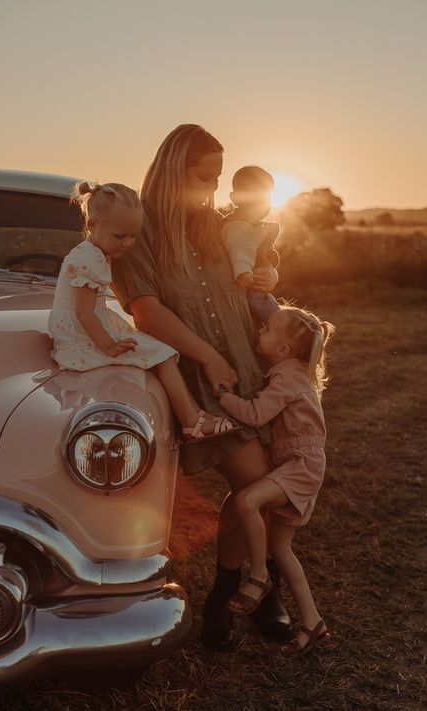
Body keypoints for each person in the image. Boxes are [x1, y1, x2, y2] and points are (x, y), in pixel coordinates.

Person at [111, 124, 292, 649]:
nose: (211, 190)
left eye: (216, 179)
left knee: (261, 487)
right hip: (196, 376)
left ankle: (230, 595)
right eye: (202, 177)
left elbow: (259, 261)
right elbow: (146, 311)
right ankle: (253, 591)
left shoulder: (220, 225)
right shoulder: (138, 230)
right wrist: (209, 357)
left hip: (246, 369)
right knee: (255, 487)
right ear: (173, 171)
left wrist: (267, 278)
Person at [49, 180, 240, 444]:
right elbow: (83, 313)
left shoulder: (96, 253)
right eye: (120, 236)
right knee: (164, 355)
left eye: (133, 236)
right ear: (92, 225)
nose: (128, 243)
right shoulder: (86, 260)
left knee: (160, 353)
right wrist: (108, 344)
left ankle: (194, 416)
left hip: (86, 332)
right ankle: (191, 421)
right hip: (82, 339)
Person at [219, 305, 335, 655]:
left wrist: (223, 396)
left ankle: (258, 577)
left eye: (266, 329)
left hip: (299, 466)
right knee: (282, 549)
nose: (260, 331)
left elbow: (256, 414)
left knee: (246, 501)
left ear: (284, 350)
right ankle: (313, 622)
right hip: (302, 463)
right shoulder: (296, 372)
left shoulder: (286, 378)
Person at [222, 165, 281, 324]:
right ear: (236, 199)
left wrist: (271, 267)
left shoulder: (257, 226)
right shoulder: (237, 225)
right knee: (275, 318)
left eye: (266, 197)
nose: (263, 203)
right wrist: (243, 272)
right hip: (247, 288)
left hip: (256, 286)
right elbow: (239, 247)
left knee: (272, 310)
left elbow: (263, 251)